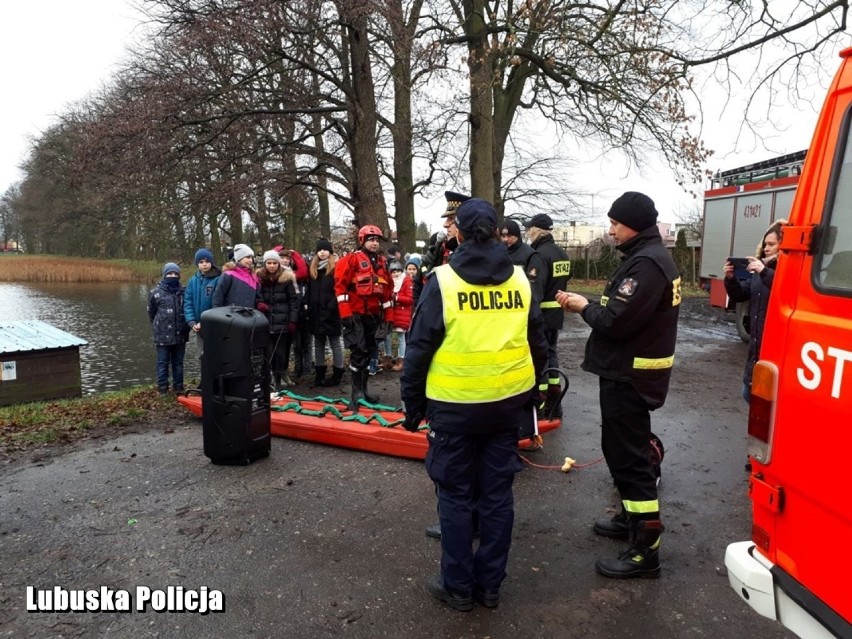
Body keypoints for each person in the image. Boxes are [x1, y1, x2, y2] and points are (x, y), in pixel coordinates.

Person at [401, 197, 548, 611]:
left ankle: (459, 586)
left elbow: (418, 351)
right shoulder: (520, 280)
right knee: (498, 497)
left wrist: (412, 408)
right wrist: (534, 394)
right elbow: (537, 342)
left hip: (454, 408)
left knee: (455, 496)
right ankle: (490, 586)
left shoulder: (443, 282)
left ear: (459, 234)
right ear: (499, 234)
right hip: (505, 407)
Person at [555, 191, 680, 579]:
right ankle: (631, 519)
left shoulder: (647, 265)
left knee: (631, 459)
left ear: (634, 224)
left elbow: (616, 321)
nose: (610, 230)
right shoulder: (644, 259)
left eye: (614, 223)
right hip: (627, 373)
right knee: (622, 451)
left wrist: (582, 307)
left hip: (632, 376)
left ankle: (645, 551)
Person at [724, 219, 785, 403]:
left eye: (772, 244)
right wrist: (730, 279)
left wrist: (764, 271)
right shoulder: (760, 273)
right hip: (756, 350)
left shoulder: (786, 271)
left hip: (776, 351)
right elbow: (741, 294)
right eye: (765, 244)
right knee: (748, 394)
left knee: (767, 404)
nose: (766, 248)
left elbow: (786, 290)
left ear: (784, 246)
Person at [333, 224, 393, 412]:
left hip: (373, 316)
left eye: (377, 240)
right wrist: (346, 314)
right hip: (355, 315)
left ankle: (364, 390)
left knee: (369, 351)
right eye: (371, 240)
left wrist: (388, 318)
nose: (375, 243)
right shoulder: (350, 260)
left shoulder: (382, 263)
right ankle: (355, 394)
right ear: (362, 241)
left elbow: (387, 292)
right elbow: (340, 288)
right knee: (358, 352)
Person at [523, 213, 572, 418]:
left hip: (541, 315)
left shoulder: (539, 255)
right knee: (551, 355)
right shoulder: (562, 253)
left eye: (529, 228)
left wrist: (528, 317)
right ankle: (555, 400)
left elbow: (535, 291)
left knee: (539, 358)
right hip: (556, 315)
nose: (527, 232)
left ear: (537, 230)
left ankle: (540, 406)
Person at [413, 191, 470, 307]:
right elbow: (418, 287)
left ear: (464, 222)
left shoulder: (473, 255)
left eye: (451, 219)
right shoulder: (440, 250)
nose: (445, 225)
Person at [257, 250, 299, 391]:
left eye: (275, 263)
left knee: (281, 352)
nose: (272, 266)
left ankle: (279, 378)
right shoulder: (260, 279)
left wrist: (293, 320)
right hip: (267, 321)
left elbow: (294, 301)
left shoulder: (286, 279)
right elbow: (257, 296)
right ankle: (268, 379)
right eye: (269, 263)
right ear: (265, 264)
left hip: (283, 321)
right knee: (269, 351)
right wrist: (260, 303)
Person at [307, 239, 345, 387]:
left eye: (325, 250)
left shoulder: (336, 268)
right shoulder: (314, 269)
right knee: (318, 343)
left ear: (330, 252)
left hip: (331, 312)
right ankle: (320, 372)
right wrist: (307, 303)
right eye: (320, 250)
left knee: (335, 342)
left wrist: (332, 305)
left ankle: (338, 371)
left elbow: (340, 289)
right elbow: (310, 290)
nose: (322, 252)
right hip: (316, 312)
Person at [147, 262, 189, 395]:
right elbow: (151, 312)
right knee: (162, 363)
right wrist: (158, 326)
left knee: (178, 363)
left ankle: (178, 387)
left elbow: (188, 309)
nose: (172, 276)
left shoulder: (184, 292)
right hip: (162, 335)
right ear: (165, 275)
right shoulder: (155, 293)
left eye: (175, 274)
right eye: (170, 274)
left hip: (180, 334)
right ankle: (163, 389)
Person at [183, 248, 221, 382]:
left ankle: (218, 382)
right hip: (199, 327)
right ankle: (204, 381)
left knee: (217, 354)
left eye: (207, 261)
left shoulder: (218, 279)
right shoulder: (193, 281)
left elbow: (218, 303)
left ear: (211, 262)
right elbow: (187, 303)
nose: (204, 264)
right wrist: (192, 322)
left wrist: (207, 321)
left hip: (215, 325)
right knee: (201, 355)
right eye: (201, 262)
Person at [211, 243, 261, 308]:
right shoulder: (228, 275)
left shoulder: (253, 277)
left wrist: (260, 302)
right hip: (229, 316)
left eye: (252, 258)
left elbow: (257, 297)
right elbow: (218, 297)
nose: (251, 260)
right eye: (248, 257)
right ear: (239, 259)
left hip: (249, 316)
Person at [386, 260, 413, 372]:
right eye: (393, 272)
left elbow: (410, 299)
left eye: (397, 271)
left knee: (400, 337)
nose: (396, 274)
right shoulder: (388, 282)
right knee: (387, 335)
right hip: (390, 312)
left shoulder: (407, 281)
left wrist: (396, 298)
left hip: (402, 313)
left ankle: (401, 359)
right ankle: (388, 357)